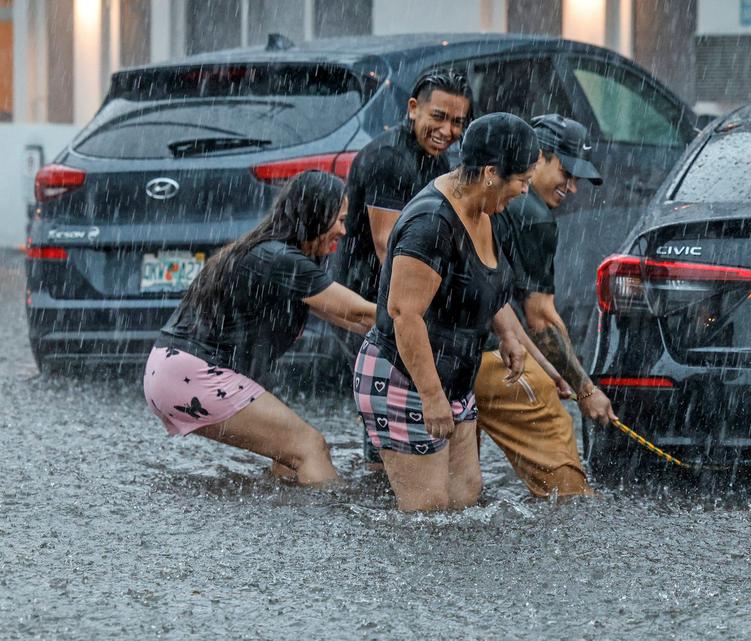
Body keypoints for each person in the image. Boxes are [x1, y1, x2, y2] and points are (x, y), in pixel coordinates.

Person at [353, 113, 540, 512]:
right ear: (491, 173)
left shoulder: (487, 213)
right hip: (407, 376)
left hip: (454, 377)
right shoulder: (431, 224)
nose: (526, 190)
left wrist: (508, 333)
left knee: (465, 499)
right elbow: (405, 314)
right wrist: (432, 396)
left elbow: (486, 283)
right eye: (522, 179)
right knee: (427, 514)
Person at [143, 171, 376, 486]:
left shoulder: (269, 250)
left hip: (171, 368)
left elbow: (350, 319)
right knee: (310, 447)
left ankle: (283, 518)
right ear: (316, 213)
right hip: (194, 371)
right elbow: (361, 312)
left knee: (290, 456)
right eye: (339, 219)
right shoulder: (280, 258)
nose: (343, 230)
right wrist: (416, 319)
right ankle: (327, 524)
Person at [475, 114, 619, 498]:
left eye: (578, 179)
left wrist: (550, 367)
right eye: (566, 172)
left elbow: (497, 302)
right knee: (561, 459)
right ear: (537, 158)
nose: (571, 187)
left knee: (456, 492)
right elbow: (541, 320)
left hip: (438, 353)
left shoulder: (487, 195)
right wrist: (586, 390)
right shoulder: (533, 217)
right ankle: (576, 533)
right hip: (479, 354)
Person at [340, 69, 472, 468]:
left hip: (403, 299)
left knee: (410, 400)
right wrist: (419, 313)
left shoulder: (438, 159)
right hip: (367, 295)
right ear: (413, 109)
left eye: (457, 122)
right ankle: (381, 486)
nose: (447, 130)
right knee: (387, 408)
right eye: (438, 117)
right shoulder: (388, 159)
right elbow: (386, 247)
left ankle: (395, 479)